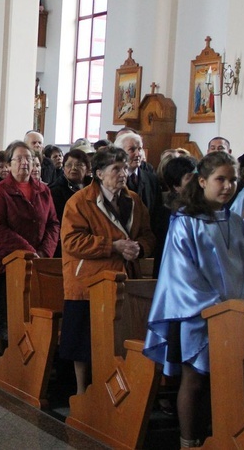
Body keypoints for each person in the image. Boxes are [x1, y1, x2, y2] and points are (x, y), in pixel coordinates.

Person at [143, 152, 244, 447]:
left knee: (223, 381)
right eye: (220, 179)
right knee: (194, 381)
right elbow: (181, 274)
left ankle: (215, 437)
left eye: (233, 180)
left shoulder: (235, 221)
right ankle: (188, 441)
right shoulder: (185, 221)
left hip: (233, 315)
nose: (228, 186)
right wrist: (217, 306)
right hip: (196, 316)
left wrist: (243, 302)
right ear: (203, 180)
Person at [60, 145, 156, 396]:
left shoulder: (133, 199)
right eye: (116, 169)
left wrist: (140, 248)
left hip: (124, 279)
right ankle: (82, 391)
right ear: (99, 173)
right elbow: (72, 241)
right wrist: (111, 246)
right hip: (89, 281)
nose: (123, 173)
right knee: (83, 341)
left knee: (119, 339)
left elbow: (148, 234)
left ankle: (115, 389)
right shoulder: (80, 201)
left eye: (125, 168)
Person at [0, 141, 59, 354]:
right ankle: (2, 357)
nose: (25, 163)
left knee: (31, 311)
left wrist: (44, 252)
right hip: (6, 261)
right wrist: (27, 249)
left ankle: (30, 354)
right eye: (19, 159)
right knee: (5, 315)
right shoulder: (0, 191)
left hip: (37, 261)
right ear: (9, 164)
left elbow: (53, 223)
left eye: (29, 158)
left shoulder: (43, 190)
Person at [48, 148, 91, 257]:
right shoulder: (55, 190)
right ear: (63, 168)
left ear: (87, 169)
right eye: (69, 165)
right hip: (67, 239)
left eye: (79, 165)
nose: (73, 168)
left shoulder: (94, 188)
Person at [114, 132, 160, 219]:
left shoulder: (151, 179)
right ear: (119, 153)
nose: (138, 154)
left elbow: (158, 212)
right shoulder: (113, 179)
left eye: (140, 149)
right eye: (132, 149)